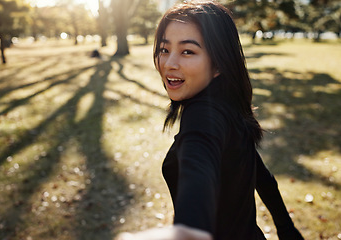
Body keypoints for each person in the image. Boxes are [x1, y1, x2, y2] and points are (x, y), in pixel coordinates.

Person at [117, 1, 304, 239]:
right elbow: (262, 176)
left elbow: (198, 172)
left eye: (188, 51)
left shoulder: (202, 117)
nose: (169, 64)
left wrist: (187, 232)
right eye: (164, 49)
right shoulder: (227, 104)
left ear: (218, 64)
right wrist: (287, 228)